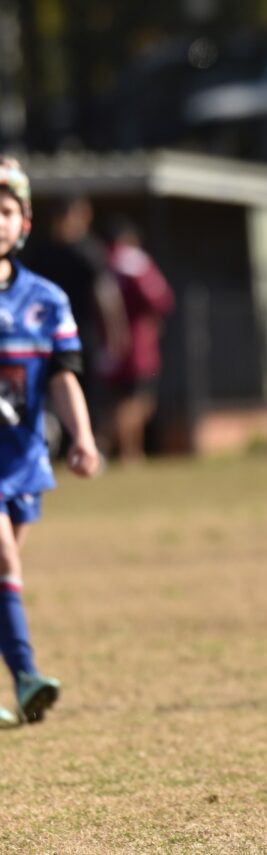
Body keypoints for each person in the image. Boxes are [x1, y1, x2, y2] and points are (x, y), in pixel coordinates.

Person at [0, 156, 101, 727]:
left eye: (5, 211)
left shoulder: (47, 301)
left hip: (24, 461)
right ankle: (27, 677)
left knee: (3, 574)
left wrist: (82, 437)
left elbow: (63, 377)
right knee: (3, 558)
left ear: (25, 222)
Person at [20, 196, 129, 438]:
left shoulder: (89, 251)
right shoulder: (42, 252)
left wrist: (115, 332)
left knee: (84, 389)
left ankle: (86, 440)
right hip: (43, 334)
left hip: (80, 334)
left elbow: (106, 295)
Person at [99, 217, 174, 463]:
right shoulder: (133, 261)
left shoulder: (103, 261)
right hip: (137, 344)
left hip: (108, 344)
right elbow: (161, 299)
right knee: (137, 401)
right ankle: (110, 448)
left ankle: (128, 451)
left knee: (122, 400)